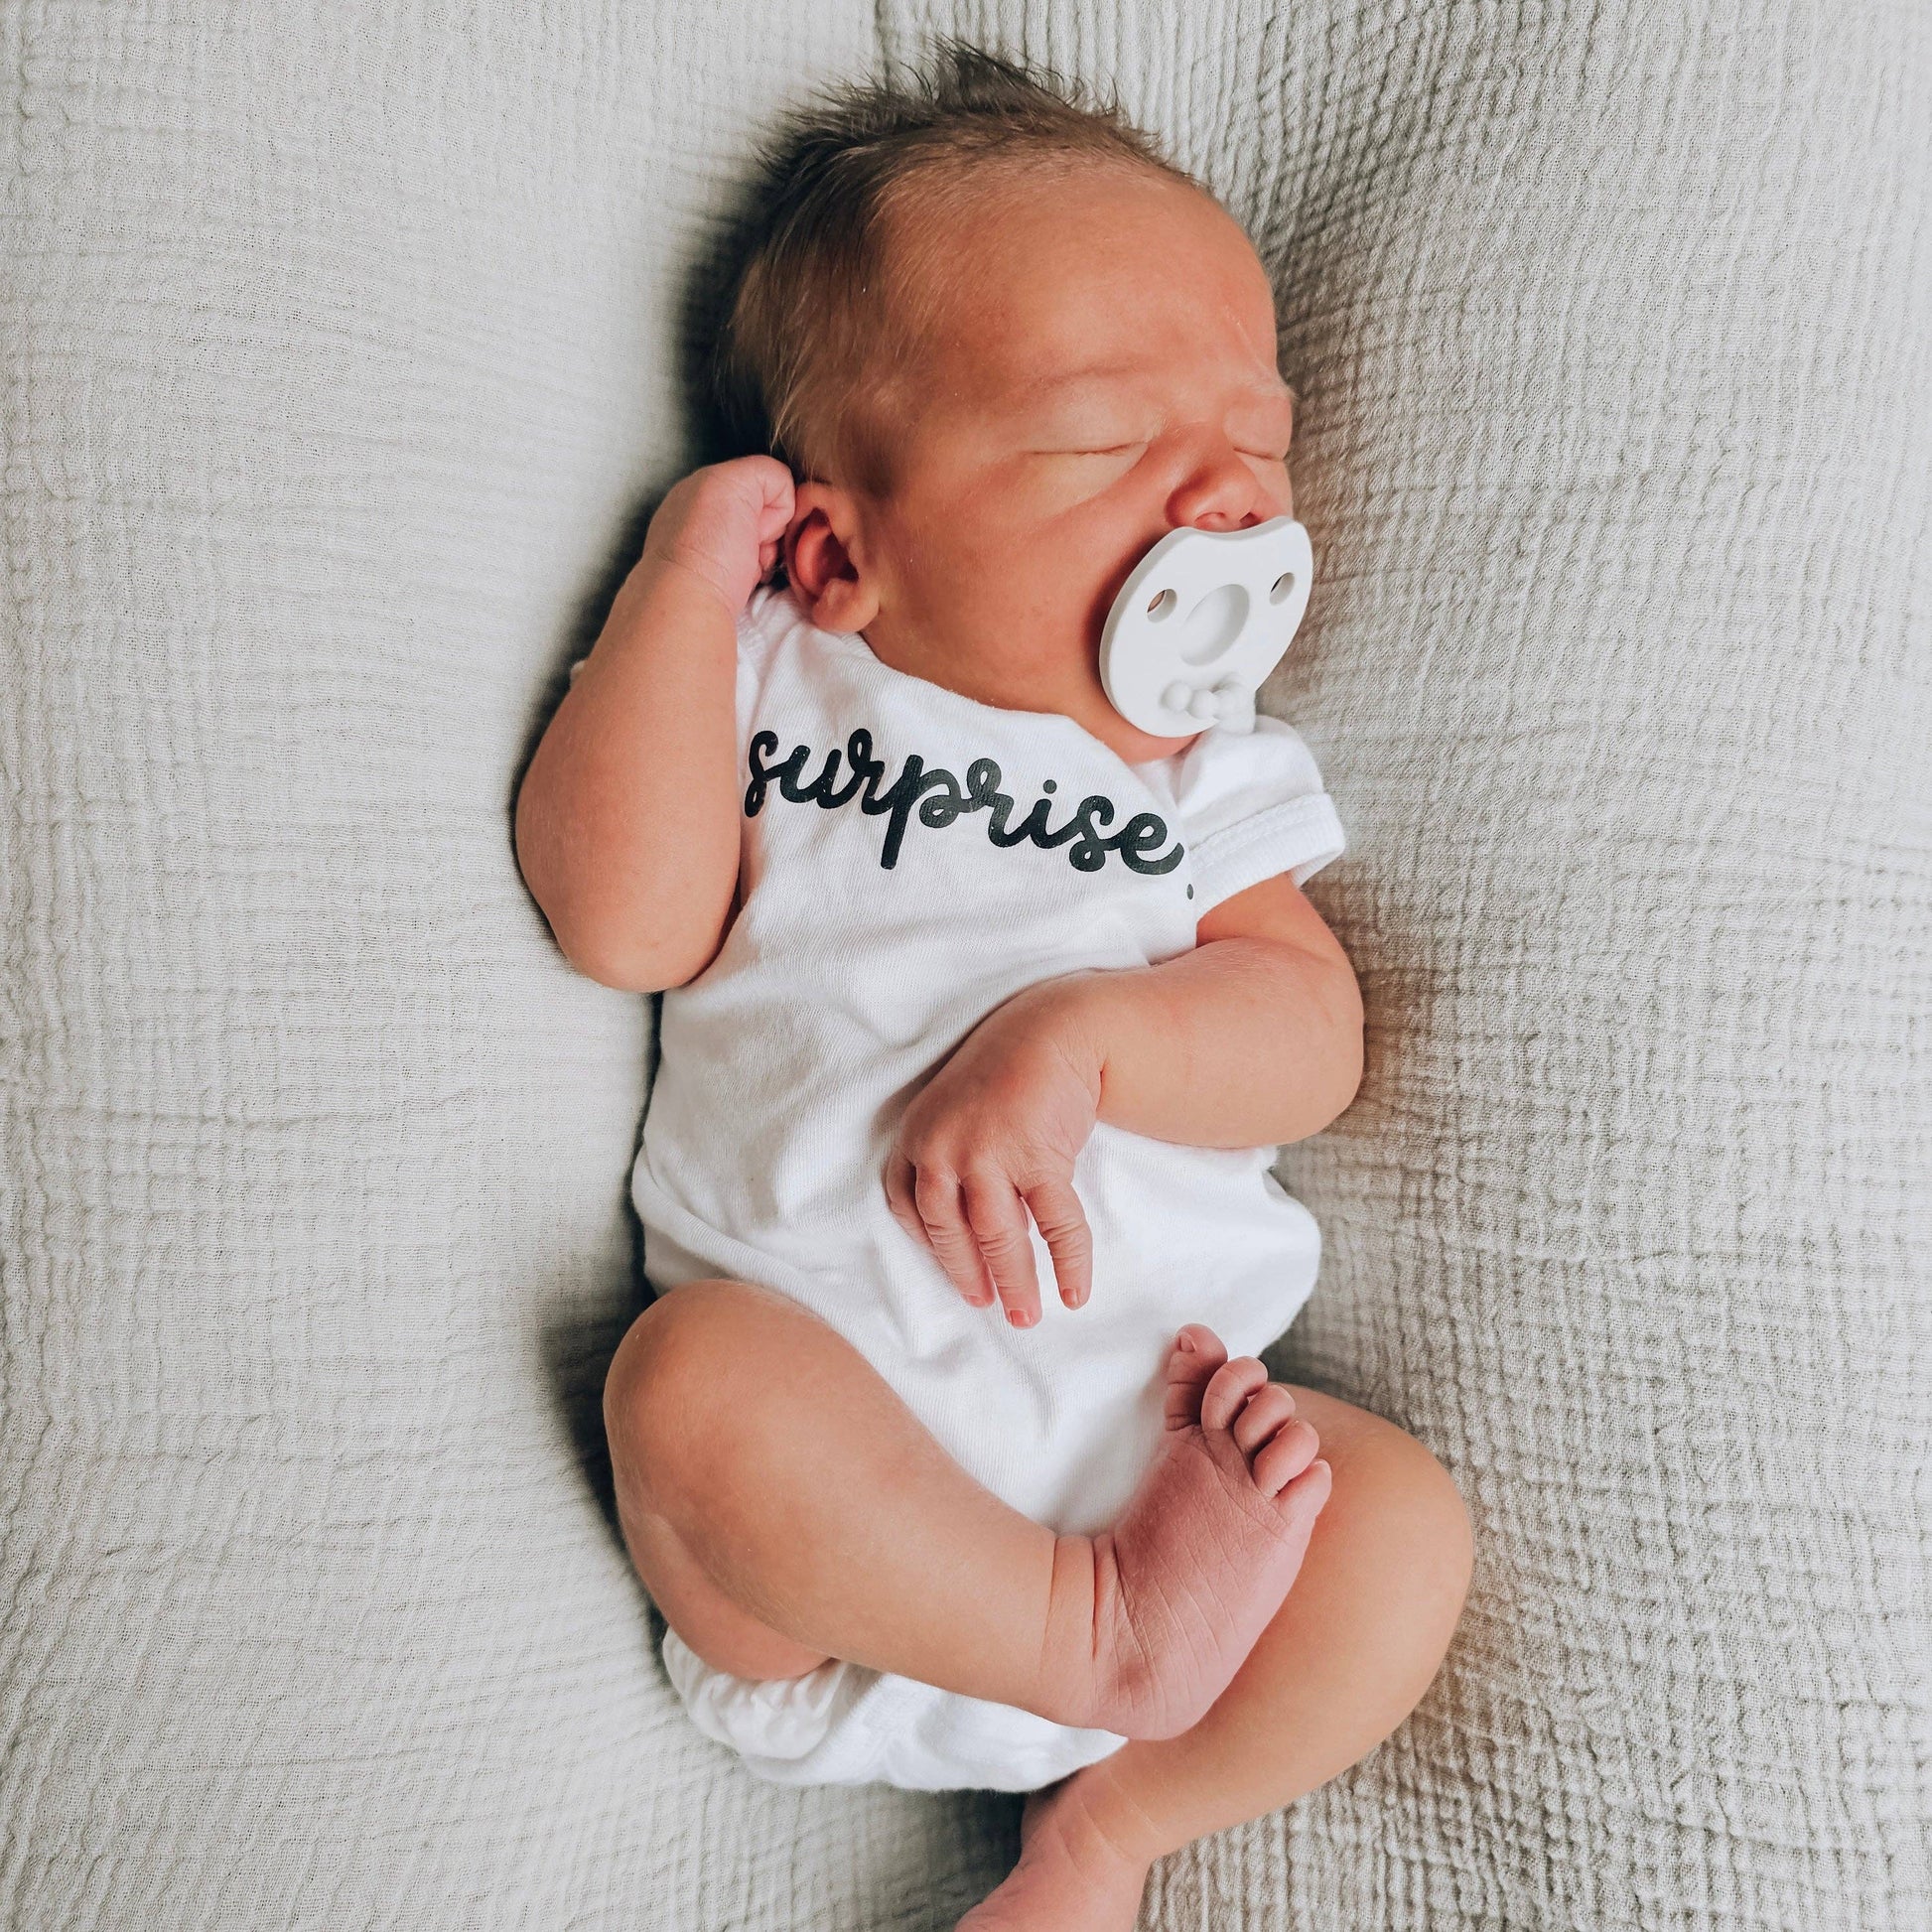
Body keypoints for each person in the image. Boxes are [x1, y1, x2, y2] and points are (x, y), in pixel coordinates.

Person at [514, 43, 1473, 1931]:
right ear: (836, 549)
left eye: (1258, 442)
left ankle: (1104, 1838)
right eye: (1107, 444)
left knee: (1400, 1534)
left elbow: (1307, 1037)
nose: (1223, 499)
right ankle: (1081, 1635)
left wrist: (1089, 1037)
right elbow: (623, 921)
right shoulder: (778, 685)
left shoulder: (1204, 777)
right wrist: (683, 592)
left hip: (1171, 1466)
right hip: (822, 1532)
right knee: (685, 1387)